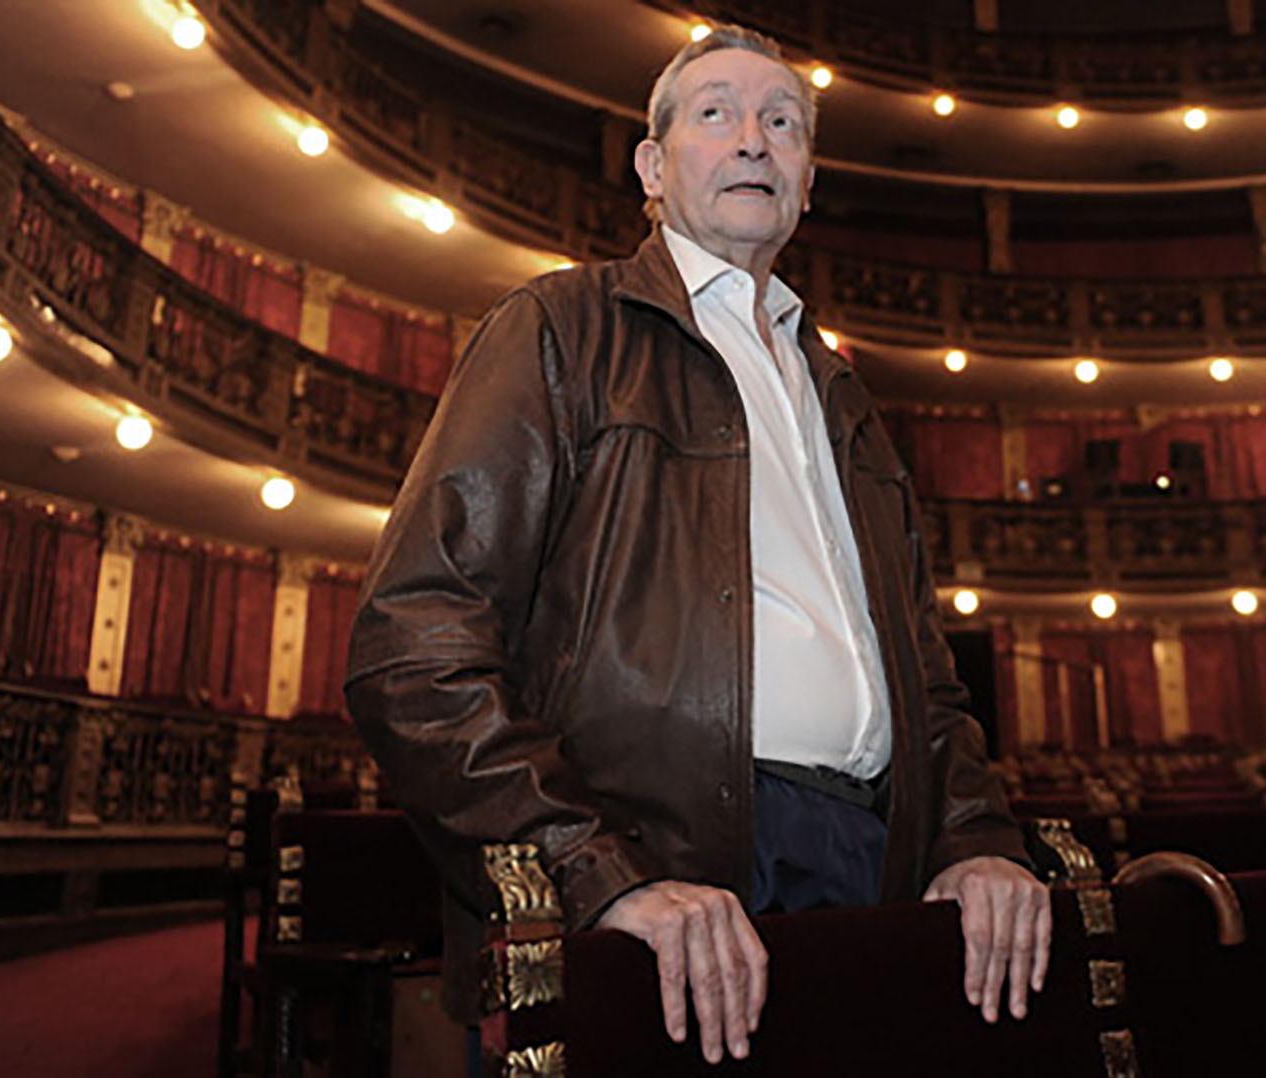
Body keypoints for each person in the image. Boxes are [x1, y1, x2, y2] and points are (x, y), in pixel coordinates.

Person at [344, 24, 1049, 1068]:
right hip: (660, 879)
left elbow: (926, 676)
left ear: (808, 180)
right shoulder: (559, 327)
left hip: (875, 867)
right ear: (652, 167)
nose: (754, 140)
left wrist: (976, 840)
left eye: (783, 123)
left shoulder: (844, 396)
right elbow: (411, 646)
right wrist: (596, 874)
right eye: (716, 114)